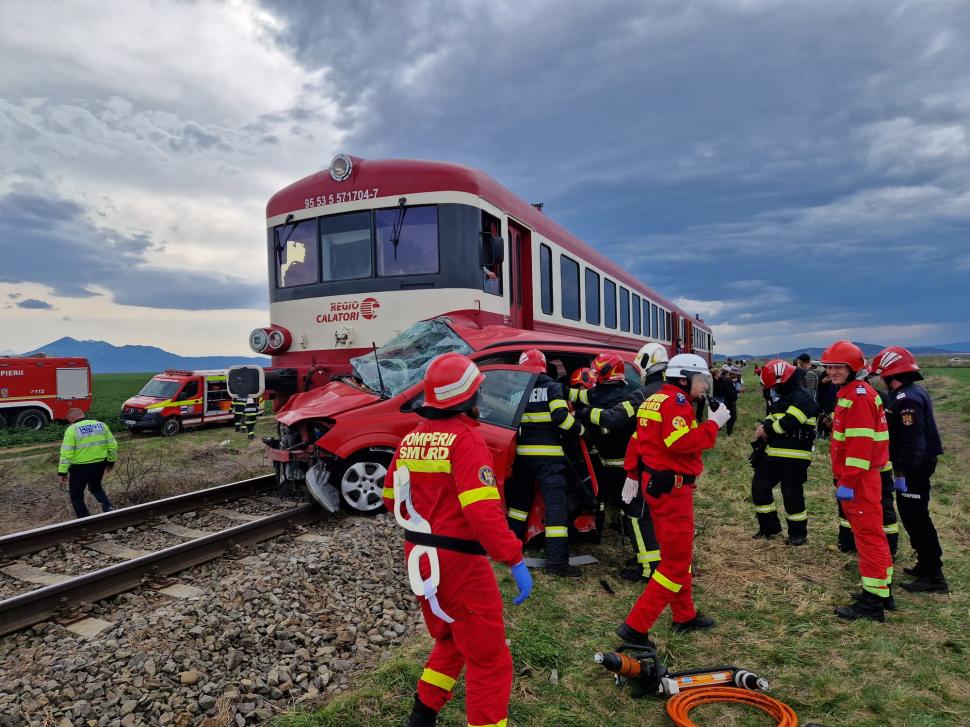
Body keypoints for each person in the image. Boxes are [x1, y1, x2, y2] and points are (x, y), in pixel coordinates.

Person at [386, 352, 532, 727]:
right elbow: (483, 514)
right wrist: (514, 558)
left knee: (450, 640)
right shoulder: (466, 440)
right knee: (490, 659)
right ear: (468, 396)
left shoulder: (411, 438)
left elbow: (390, 498)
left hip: (418, 556)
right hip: (461, 564)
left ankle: (421, 718)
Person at [614, 353, 732, 648]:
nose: (704, 387)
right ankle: (635, 627)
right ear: (683, 378)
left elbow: (637, 438)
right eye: (700, 381)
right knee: (675, 564)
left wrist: (631, 471)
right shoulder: (676, 403)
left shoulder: (655, 399)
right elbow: (680, 442)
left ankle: (684, 614)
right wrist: (714, 425)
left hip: (657, 485)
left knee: (676, 555)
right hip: (673, 490)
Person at [821, 340, 893, 622]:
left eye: (839, 367)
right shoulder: (853, 392)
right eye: (830, 367)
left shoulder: (858, 396)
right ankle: (882, 592)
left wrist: (849, 481)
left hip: (860, 479)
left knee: (868, 538)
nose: (833, 372)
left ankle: (873, 604)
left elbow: (860, 448)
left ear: (853, 368)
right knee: (872, 535)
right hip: (862, 478)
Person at [587, 343, 669, 581]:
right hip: (661, 466)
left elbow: (612, 418)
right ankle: (648, 558)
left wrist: (584, 413)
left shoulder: (643, 394)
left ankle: (649, 569)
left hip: (644, 467)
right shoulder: (668, 389)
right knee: (647, 515)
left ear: (645, 363)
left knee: (637, 515)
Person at [871, 346, 948, 593]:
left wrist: (901, 472)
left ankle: (934, 576)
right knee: (912, 516)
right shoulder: (912, 393)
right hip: (916, 466)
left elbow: (914, 441)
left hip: (915, 468)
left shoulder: (908, 400)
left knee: (917, 519)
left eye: (881, 376)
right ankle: (925, 566)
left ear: (890, 374)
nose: (880, 380)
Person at [505, 348, 585, 577]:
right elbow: (561, 418)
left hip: (522, 457)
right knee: (555, 508)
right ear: (544, 366)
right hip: (549, 458)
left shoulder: (517, 391)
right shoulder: (553, 387)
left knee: (519, 507)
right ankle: (557, 563)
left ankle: (510, 552)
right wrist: (581, 429)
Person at [750, 359, 818, 545]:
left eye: (774, 386)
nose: (772, 390)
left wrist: (768, 429)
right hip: (772, 454)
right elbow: (772, 417)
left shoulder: (802, 397)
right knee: (760, 488)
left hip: (794, 456)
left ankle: (798, 535)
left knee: (791, 495)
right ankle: (769, 528)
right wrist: (764, 426)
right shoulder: (781, 399)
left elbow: (791, 421)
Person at [58, 408, 117, 518]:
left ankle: (84, 520)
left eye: (68, 420)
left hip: (80, 467)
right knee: (95, 487)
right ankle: (108, 508)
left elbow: (66, 453)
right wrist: (111, 462)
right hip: (100, 464)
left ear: (71, 418)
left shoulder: (72, 429)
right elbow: (113, 445)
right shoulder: (101, 425)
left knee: (76, 495)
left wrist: (62, 472)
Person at [713, 364, 738, 435]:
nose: (737, 376)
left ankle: (728, 431)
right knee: (731, 417)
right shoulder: (727, 381)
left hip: (730, 401)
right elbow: (730, 392)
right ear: (732, 374)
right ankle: (729, 432)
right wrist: (738, 390)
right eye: (736, 374)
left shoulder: (728, 380)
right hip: (729, 402)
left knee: (732, 417)